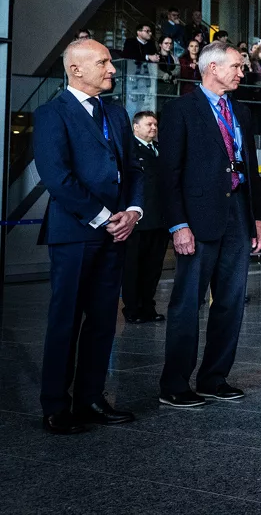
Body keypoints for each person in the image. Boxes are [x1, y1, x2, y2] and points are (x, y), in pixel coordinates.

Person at [34, 40, 144, 434]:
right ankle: (55, 406)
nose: (112, 68)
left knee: (102, 320)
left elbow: (134, 169)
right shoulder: (52, 113)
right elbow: (57, 177)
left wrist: (133, 211)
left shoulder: (115, 113)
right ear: (76, 69)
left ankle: (91, 399)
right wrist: (103, 217)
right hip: (75, 233)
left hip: (116, 233)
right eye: (103, 62)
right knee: (65, 320)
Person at [158, 41, 261, 407]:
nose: (241, 72)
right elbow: (169, 174)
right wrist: (178, 225)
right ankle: (175, 384)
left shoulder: (242, 112)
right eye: (236, 66)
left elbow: (252, 170)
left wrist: (257, 219)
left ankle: (214, 378)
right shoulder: (180, 110)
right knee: (187, 303)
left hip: (237, 212)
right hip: (197, 218)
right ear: (212, 68)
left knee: (231, 302)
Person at [122, 111, 168, 323]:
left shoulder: (160, 150)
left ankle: (148, 308)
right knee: (133, 268)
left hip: (159, 220)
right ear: (136, 127)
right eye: (149, 124)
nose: (154, 128)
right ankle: (132, 310)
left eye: (155, 125)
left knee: (153, 269)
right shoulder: (128, 149)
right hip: (137, 221)